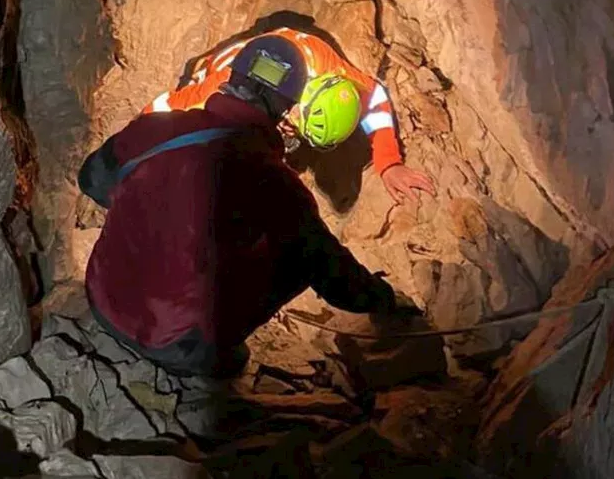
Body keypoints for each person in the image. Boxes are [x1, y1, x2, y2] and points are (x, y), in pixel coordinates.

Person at [78, 36, 416, 378]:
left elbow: (92, 181)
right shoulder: (281, 188)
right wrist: (383, 299)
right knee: (305, 253)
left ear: (232, 76)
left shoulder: (155, 127)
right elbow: (339, 280)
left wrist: (156, 205)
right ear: (286, 109)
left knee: (151, 197)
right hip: (180, 348)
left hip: (101, 298)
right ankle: (210, 346)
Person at [143, 26, 436, 204]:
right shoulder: (225, 87)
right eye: (293, 127)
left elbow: (374, 98)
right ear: (292, 106)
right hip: (213, 70)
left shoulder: (330, 73)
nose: (291, 134)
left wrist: (388, 161)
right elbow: (164, 109)